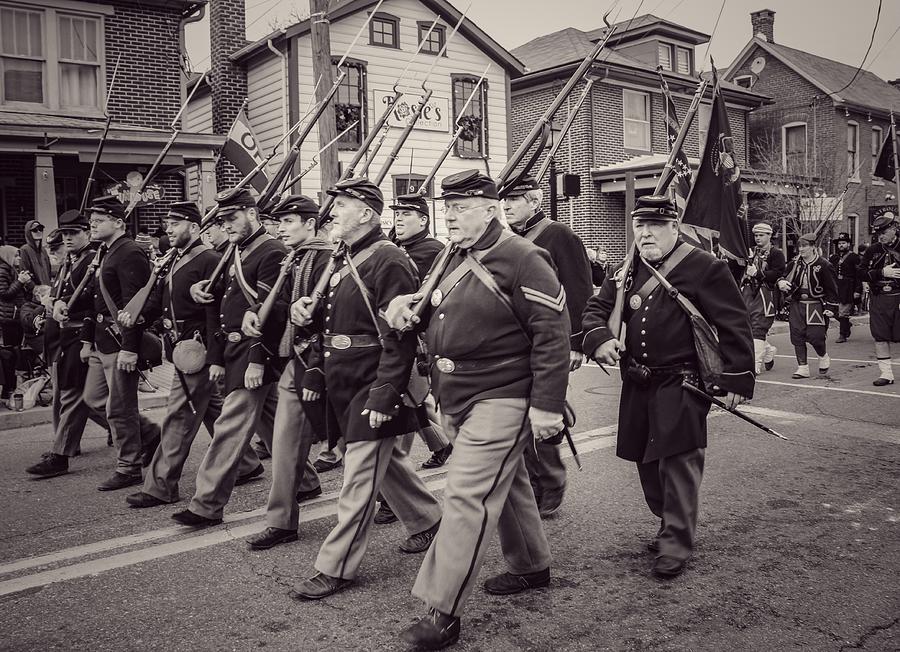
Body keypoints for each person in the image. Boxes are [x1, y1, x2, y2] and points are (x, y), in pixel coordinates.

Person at [385, 170, 570, 649]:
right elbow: (432, 310)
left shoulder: (523, 257)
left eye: (461, 207)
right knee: (506, 486)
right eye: (447, 208)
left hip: (503, 394)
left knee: (466, 493)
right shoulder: (454, 256)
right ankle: (531, 565)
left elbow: (552, 335)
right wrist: (403, 308)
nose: (449, 215)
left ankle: (441, 610)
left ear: (490, 209)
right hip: (457, 393)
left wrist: (547, 407)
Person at [582, 195, 754, 579]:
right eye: (639, 226)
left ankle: (676, 540)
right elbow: (596, 309)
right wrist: (599, 339)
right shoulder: (626, 267)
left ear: (674, 227)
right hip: (639, 381)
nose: (645, 233)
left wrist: (737, 377)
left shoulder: (705, 267)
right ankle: (669, 521)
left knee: (679, 463)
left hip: (683, 381)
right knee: (647, 464)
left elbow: (734, 323)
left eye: (655, 225)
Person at [290, 177, 442, 601]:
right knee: (385, 461)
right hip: (344, 377)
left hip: (374, 380)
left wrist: (385, 392)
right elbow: (335, 321)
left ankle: (335, 566)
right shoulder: (345, 255)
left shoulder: (388, 258)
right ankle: (429, 521)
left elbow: (400, 335)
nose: (332, 211)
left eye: (341, 205)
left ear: (367, 214)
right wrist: (308, 313)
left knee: (358, 479)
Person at [121, 201, 262, 508]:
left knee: (178, 416)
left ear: (195, 227)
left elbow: (216, 312)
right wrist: (136, 316)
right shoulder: (175, 259)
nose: (168, 229)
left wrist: (214, 357)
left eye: (175, 224)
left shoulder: (208, 259)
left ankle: (160, 486)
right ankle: (248, 463)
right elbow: (159, 301)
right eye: (166, 224)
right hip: (182, 347)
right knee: (211, 408)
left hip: (197, 348)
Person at [171, 188, 288, 526]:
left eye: (232, 217)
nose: (227, 225)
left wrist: (257, 360)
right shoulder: (232, 252)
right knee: (277, 426)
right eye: (222, 220)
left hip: (255, 354)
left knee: (227, 428)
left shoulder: (271, 251)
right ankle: (306, 482)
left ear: (252, 213)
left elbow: (272, 312)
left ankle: (206, 505)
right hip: (235, 352)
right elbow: (220, 308)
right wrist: (217, 356)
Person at [242, 194, 334, 550]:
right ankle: (281, 522)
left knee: (366, 453)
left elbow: (327, 317)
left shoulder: (325, 257)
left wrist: (315, 370)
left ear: (310, 224)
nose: (280, 227)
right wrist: (255, 313)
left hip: (323, 366)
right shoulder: (295, 259)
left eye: (289, 221)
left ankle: (421, 515)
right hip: (296, 365)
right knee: (282, 445)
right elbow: (283, 307)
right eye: (278, 221)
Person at [502, 175, 593, 518]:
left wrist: (576, 344)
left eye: (514, 199)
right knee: (517, 413)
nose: (506, 205)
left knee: (543, 408)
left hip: (549, 342)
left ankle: (551, 480)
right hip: (515, 344)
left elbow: (579, 290)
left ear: (535, 201)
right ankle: (532, 481)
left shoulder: (559, 235)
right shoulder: (510, 239)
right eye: (504, 200)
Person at [79, 196, 161, 491]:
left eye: (99, 220)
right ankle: (150, 433)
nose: (92, 224)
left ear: (118, 222)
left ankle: (129, 466)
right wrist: (87, 338)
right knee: (93, 399)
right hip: (103, 340)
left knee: (120, 407)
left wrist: (130, 347)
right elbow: (96, 300)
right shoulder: (105, 251)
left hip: (119, 341)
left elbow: (134, 306)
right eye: (92, 220)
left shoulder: (129, 252)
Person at [25, 210, 110, 477]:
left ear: (87, 232)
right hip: (63, 338)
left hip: (81, 336)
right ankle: (133, 433)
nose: (68, 238)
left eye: (74, 233)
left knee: (75, 397)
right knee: (82, 399)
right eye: (65, 234)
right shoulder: (71, 261)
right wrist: (52, 302)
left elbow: (95, 302)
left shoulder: (92, 261)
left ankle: (61, 455)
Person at [390, 193, 453, 468]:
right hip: (396, 336)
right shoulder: (394, 248)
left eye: (406, 214)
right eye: (397, 213)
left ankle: (396, 499)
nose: (398, 218)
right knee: (414, 402)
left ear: (423, 220)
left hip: (417, 340)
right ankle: (442, 444)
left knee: (404, 409)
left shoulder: (432, 251)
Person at [777, 233, 839, 379]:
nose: (801, 249)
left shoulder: (824, 265)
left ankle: (823, 355)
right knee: (797, 336)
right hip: (797, 304)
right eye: (799, 246)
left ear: (813, 247)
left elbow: (832, 288)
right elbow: (783, 276)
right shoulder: (794, 264)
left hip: (816, 305)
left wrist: (831, 307)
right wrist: (781, 282)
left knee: (816, 337)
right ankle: (803, 367)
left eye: (804, 246)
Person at [859, 215, 900, 386]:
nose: (880, 236)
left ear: (893, 229)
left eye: (884, 232)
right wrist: (881, 273)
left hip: (898, 297)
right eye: (878, 234)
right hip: (879, 298)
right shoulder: (872, 250)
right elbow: (860, 273)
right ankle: (886, 374)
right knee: (880, 336)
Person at [740, 222, 786, 374]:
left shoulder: (776, 253)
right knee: (748, 328)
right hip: (748, 294)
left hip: (767, 295)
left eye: (761, 235)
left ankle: (755, 365)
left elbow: (779, 273)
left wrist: (757, 274)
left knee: (759, 329)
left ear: (769, 236)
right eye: (756, 235)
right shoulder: (751, 252)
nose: (758, 238)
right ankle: (769, 350)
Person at [0, 245, 32, 403]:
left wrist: (24, 282)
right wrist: (20, 282)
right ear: (8, 256)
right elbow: (4, 294)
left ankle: (12, 387)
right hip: (8, 319)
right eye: (16, 256)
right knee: (9, 354)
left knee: (16, 352)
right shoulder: (2, 271)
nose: (19, 259)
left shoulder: (12, 270)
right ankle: (8, 389)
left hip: (16, 317)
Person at [829, 232, 862, 343]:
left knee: (843, 312)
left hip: (848, 286)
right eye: (839, 243)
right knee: (833, 310)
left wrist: (858, 290)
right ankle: (846, 324)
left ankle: (842, 335)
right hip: (836, 286)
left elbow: (859, 274)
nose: (841, 245)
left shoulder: (854, 257)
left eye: (843, 243)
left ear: (848, 244)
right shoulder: (834, 257)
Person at [19, 220, 52, 286]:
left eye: (40, 229)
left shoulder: (43, 250)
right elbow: (25, 272)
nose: (38, 232)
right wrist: (34, 288)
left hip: (47, 289)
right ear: (29, 233)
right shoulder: (24, 250)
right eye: (34, 230)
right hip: (34, 292)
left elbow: (49, 270)